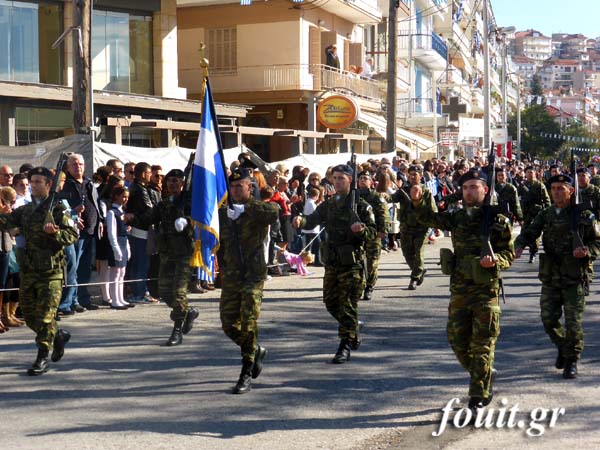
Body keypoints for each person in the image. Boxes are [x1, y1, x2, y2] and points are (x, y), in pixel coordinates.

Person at [410, 168, 514, 414]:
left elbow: (509, 254)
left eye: (474, 187)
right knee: (456, 341)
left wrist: (495, 260)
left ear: (485, 190)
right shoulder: (457, 217)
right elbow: (429, 219)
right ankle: (484, 373)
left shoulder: (498, 220)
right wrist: (418, 199)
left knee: (482, 345)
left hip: (485, 290)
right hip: (459, 289)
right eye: (466, 187)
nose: (469, 191)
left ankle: (477, 396)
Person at [515, 174, 600, 379]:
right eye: (553, 188)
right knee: (548, 319)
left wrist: (587, 251)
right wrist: (519, 245)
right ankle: (563, 346)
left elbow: (597, 242)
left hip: (574, 275)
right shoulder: (547, 214)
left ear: (571, 191)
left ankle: (572, 360)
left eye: (561, 188)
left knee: (573, 322)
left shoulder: (583, 214)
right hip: (552, 274)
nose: (556, 192)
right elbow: (529, 232)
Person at [293, 164, 376, 364]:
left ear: (350, 180)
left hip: (352, 262)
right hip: (332, 261)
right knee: (330, 302)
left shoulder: (361, 206)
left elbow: (374, 233)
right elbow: (312, 220)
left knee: (347, 304)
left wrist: (361, 230)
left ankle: (344, 345)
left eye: (342, 178)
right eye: (335, 178)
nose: (337, 181)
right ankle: (353, 328)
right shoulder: (329, 204)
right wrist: (300, 221)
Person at [0, 167, 79, 375]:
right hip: (29, 270)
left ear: (48, 185)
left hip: (50, 272)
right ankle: (58, 336)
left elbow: (72, 234)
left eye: (38, 182)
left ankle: (42, 355)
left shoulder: (59, 209)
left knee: (44, 316)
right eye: (32, 181)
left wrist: (56, 234)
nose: (33, 185)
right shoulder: (25, 210)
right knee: (30, 315)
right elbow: (6, 222)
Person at [218, 169, 278, 394]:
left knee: (248, 320)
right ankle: (255, 349)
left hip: (253, 274)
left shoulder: (257, 209)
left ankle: (246, 369)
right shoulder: (225, 213)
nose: (234, 190)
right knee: (227, 323)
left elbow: (275, 212)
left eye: (239, 187)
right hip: (232, 275)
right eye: (232, 187)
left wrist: (246, 208)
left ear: (249, 187)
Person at [149, 169, 199, 347]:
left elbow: (201, 222)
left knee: (178, 293)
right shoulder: (163, 204)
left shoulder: (190, 202)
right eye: (169, 180)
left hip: (185, 253)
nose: (172, 184)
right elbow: (150, 218)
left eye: (176, 181)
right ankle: (188, 311)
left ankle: (177, 330)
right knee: (163, 291)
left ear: (182, 183)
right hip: (167, 254)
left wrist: (187, 221)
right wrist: (131, 218)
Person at [61, 153, 103, 311]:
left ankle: (84, 299)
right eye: (75, 164)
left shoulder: (88, 183)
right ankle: (72, 301)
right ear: (68, 167)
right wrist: (73, 212)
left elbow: (96, 203)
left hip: (90, 231)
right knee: (74, 268)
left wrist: (100, 221)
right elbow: (62, 208)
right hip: (74, 232)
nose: (78, 166)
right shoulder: (66, 184)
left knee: (85, 268)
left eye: (81, 164)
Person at [392, 165, 437, 290]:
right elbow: (392, 198)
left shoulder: (426, 191)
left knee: (418, 253)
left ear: (421, 176)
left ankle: (415, 278)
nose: (412, 177)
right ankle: (419, 270)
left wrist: (433, 225)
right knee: (407, 254)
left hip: (421, 228)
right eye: (410, 174)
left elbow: (433, 210)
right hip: (406, 227)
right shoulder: (403, 190)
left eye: (415, 174)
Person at [357, 170, 389, 300]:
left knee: (372, 261)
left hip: (373, 233)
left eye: (366, 178)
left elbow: (383, 215)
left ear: (371, 181)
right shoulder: (354, 196)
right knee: (358, 261)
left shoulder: (376, 197)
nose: (363, 180)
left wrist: (383, 230)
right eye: (361, 178)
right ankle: (360, 285)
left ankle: (369, 286)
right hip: (358, 234)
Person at [105, 186, 133, 310]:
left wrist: (127, 247)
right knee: (115, 273)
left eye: (127, 197)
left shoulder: (122, 211)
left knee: (122, 272)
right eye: (123, 196)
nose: (125, 199)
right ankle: (114, 300)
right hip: (116, 243)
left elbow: (124, 232)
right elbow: (111, 233)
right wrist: (115, 248)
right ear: (116, 196)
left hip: (123, 242)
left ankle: (120, 298)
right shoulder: (112, 212)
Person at [518, 166, 550, 263]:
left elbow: (546, 200)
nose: (530, 174)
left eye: (531, 172)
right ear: (525, 174)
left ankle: (533, 253)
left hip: (537, 214)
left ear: (535, 173)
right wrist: (519, 215)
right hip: (526, 213)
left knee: (535, 234)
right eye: (528, 172)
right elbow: (517, 200)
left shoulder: (540, 185)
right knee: (524, 232)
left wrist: (546, 213)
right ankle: (520, 249)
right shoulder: (522, 186)